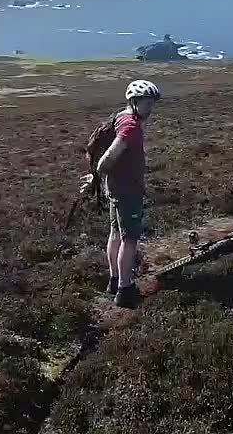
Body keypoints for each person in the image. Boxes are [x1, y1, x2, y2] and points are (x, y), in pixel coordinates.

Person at [95, 79, 160, 307]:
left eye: (152, 103)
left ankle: (114, 281)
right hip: (127, 191)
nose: (150, 108)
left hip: (114, 188)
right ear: (133, 102)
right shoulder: (131, 126)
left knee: (115, 234)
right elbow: (109, 157)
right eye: (145, 103)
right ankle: (125, 289)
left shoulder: (121, 116)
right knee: (129, 240)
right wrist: (98, 172)